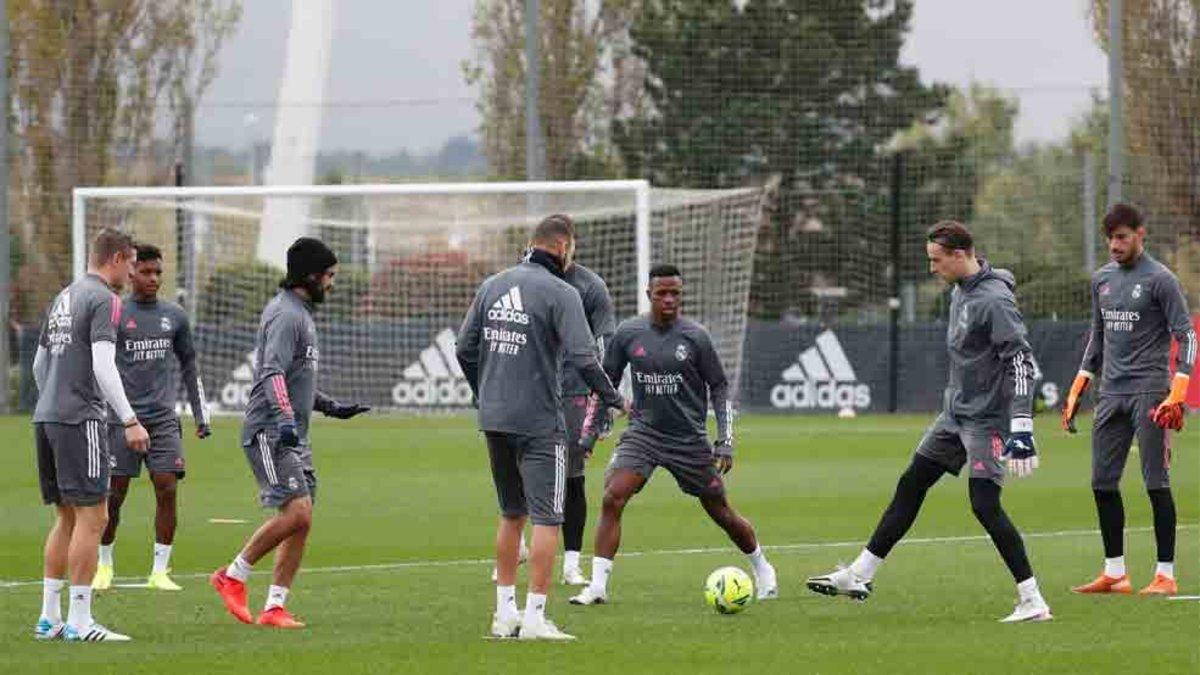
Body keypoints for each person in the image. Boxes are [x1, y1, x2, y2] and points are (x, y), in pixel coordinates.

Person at [805, 221, 1052, 623]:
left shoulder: (994, 301)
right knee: (912, 483)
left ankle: (1033, 600)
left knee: (984, 505)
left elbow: (1021, 361)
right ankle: (860, 574)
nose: (932, 268)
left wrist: (1022, 425)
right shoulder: (960, 289)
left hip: (986, 421)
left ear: (960, 254)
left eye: (937, 260)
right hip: (954, 415)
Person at [456, 214, 627, 641]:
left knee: (511, 514)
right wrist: (614, 398)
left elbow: (464, 348)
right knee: (548, 519)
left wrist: (484, 390)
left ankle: (503, 615)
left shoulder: (493, 285)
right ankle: (534, 617)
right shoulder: (563, 292)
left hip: (494, 418)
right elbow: (586, 358)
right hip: (540, 422)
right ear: (564, 248)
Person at [569, 263, 777, 607]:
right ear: (648, 294)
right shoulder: (628, 333)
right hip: (643, 434)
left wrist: (725, 440)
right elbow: (604, 385)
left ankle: (762, 567)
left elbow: (719, 387)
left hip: (687, 440)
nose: (669, 299)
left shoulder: (696, 337)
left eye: (675, 293)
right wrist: (589, 433)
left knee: (720, 510)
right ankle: (598, 587)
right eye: (662, 293)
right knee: (612, 497)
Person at [209, 237, 370, 628]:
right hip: (270, 431)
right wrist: (283, 420)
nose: (331, 283)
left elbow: (298, 382)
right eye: (329, 275)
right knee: (297, 512)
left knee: (303, 519)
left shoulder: (302, 314)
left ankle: (274, 607)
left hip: (294, 434)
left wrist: (331, 407)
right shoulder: (285, 314)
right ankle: (232, 575)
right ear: (311, 276)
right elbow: (272, 372)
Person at [1063, 203, 1195, 597]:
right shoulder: (1102, 280)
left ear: (1140, 234)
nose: (1114, 245)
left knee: (1156, 482)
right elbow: (1098, 337)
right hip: (1111, 393)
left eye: (1121, 237)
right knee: (1102, 483)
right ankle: (1115, 573)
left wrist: (1178, 391)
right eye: (1110, 239)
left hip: (1150, 393)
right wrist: (1079, 385)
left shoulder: (1161, 280)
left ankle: (1165, 575)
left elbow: (1187, 336)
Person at [32, 228, 150, 642]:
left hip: (46, 417)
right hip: (80, 419)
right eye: (132, 263)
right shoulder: (105, 299)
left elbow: (39, 364)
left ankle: (49, 618)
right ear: (116, 259)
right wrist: (130, 420)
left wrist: (53, 400)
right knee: (95, 516)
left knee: (66, 517)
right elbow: (103, 365)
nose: (133, 273)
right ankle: (80, 621)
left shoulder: (64, 296)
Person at [92, 243, 211, 592]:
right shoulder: (115, 312)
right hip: (123, 419)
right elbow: (100, 365)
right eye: (146, 272)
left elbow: (189, 365)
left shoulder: (175, 316)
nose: (154, 278)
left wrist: (200, 414)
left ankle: (160, 572)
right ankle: (104, 565)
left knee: (167, 488)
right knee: (114, 495)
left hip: (163, 419)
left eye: (158, 272)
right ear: (131, 274)